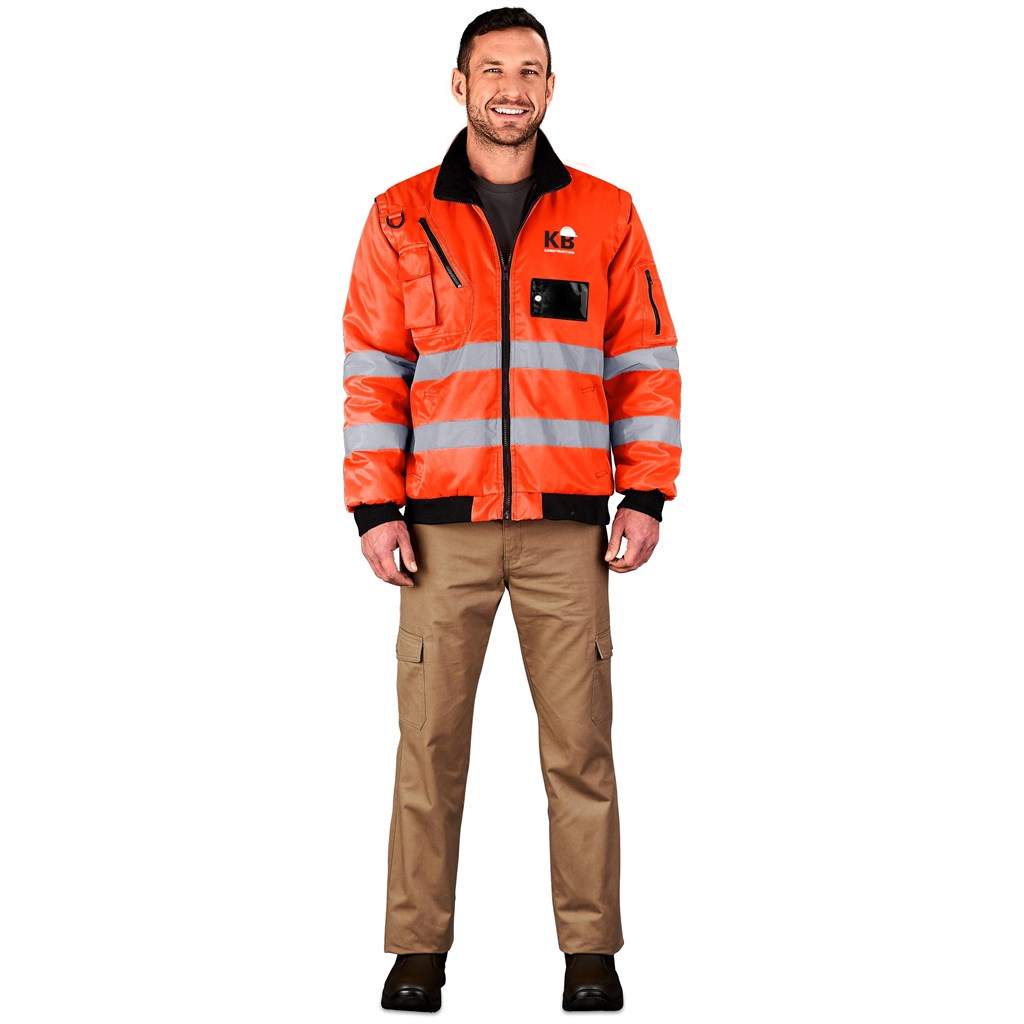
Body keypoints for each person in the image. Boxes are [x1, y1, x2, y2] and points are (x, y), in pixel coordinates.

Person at [342, 7, 680, 1013]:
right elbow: (373, 371)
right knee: (428, 748)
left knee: (580, 750)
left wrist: (645, 490)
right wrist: (373, 507)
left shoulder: (607, 214)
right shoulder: (399, 216)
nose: (510, 88)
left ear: (550, 87)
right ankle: (417, 949)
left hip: (567, 533)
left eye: (529, 71)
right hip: (435, 536)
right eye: (492, 70)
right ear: (459, 85)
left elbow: (644, 361)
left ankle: (590, 952)